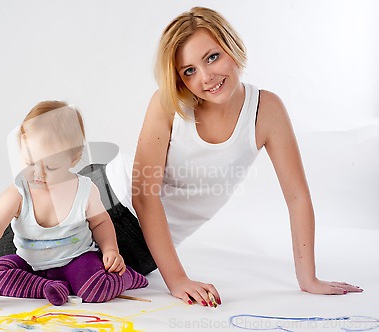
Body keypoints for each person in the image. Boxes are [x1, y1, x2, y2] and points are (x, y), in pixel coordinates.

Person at [124, 6, 363, 307]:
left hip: (147, 251)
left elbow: (297, 197)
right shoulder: (168, 105)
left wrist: (308, 279)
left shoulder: (266, 111)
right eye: (189, 71)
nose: (207, 77)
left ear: (231, 46)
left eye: (212, 57)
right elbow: (144, 196)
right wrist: (178, 280)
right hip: (105, 209)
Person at [0, 101, 147, 306]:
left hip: (77, 260)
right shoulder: (18, 192)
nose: (37, 174)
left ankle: (127, 277)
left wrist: (110, 250)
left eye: (51, 167)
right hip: (30, 264)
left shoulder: (84, 189)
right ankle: (46, 287)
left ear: (74, 158)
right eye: (29, 163)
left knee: (96, 289)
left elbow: (100, 222)